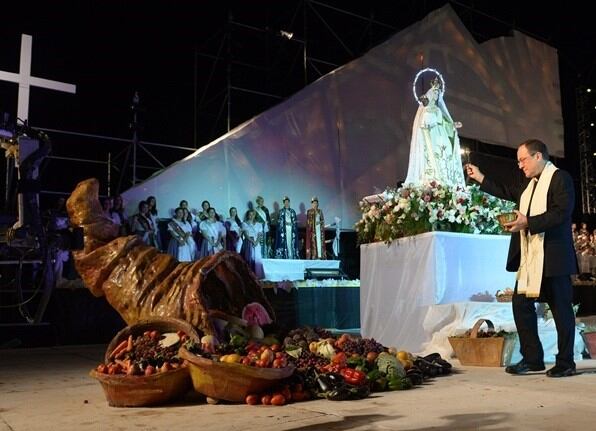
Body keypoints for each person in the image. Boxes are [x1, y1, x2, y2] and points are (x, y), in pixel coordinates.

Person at [466, 139, 578, 378]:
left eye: (523, 160)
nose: (519, 165)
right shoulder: (529, 186)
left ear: (538, 156)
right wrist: (481, 178)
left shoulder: (560, 178)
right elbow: (508, 192)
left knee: (561, 309)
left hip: (553, 256)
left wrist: (529, 223)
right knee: (520, 304)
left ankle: (566, 362)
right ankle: (533, 359)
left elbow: (561, 212)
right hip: (531, 258)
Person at [404, 75, 465, 188]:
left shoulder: (438, 110)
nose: (436, 96)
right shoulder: (426, 111)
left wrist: (453, 125)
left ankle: (444, 181)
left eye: (438, 94)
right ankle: (434, 182)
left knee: (443, 159)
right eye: (435, 93)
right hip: (430, 140)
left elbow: (445, 123)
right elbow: (423, 126)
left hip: (440, 140)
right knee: (432, 164)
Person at [241, 209, 264, 278]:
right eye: (250, 215)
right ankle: (248, 275)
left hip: (256, 242)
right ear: (248, 215)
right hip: (248, 242)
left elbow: (260, 234)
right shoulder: (244, 223)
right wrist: (252, 241)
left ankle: (257, 275)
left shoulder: (259, 224)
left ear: (255, 215)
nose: (251, 216)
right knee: (248, 258)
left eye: (253, 214)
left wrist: (256, 242)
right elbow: (245, 234)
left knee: (257, 258)